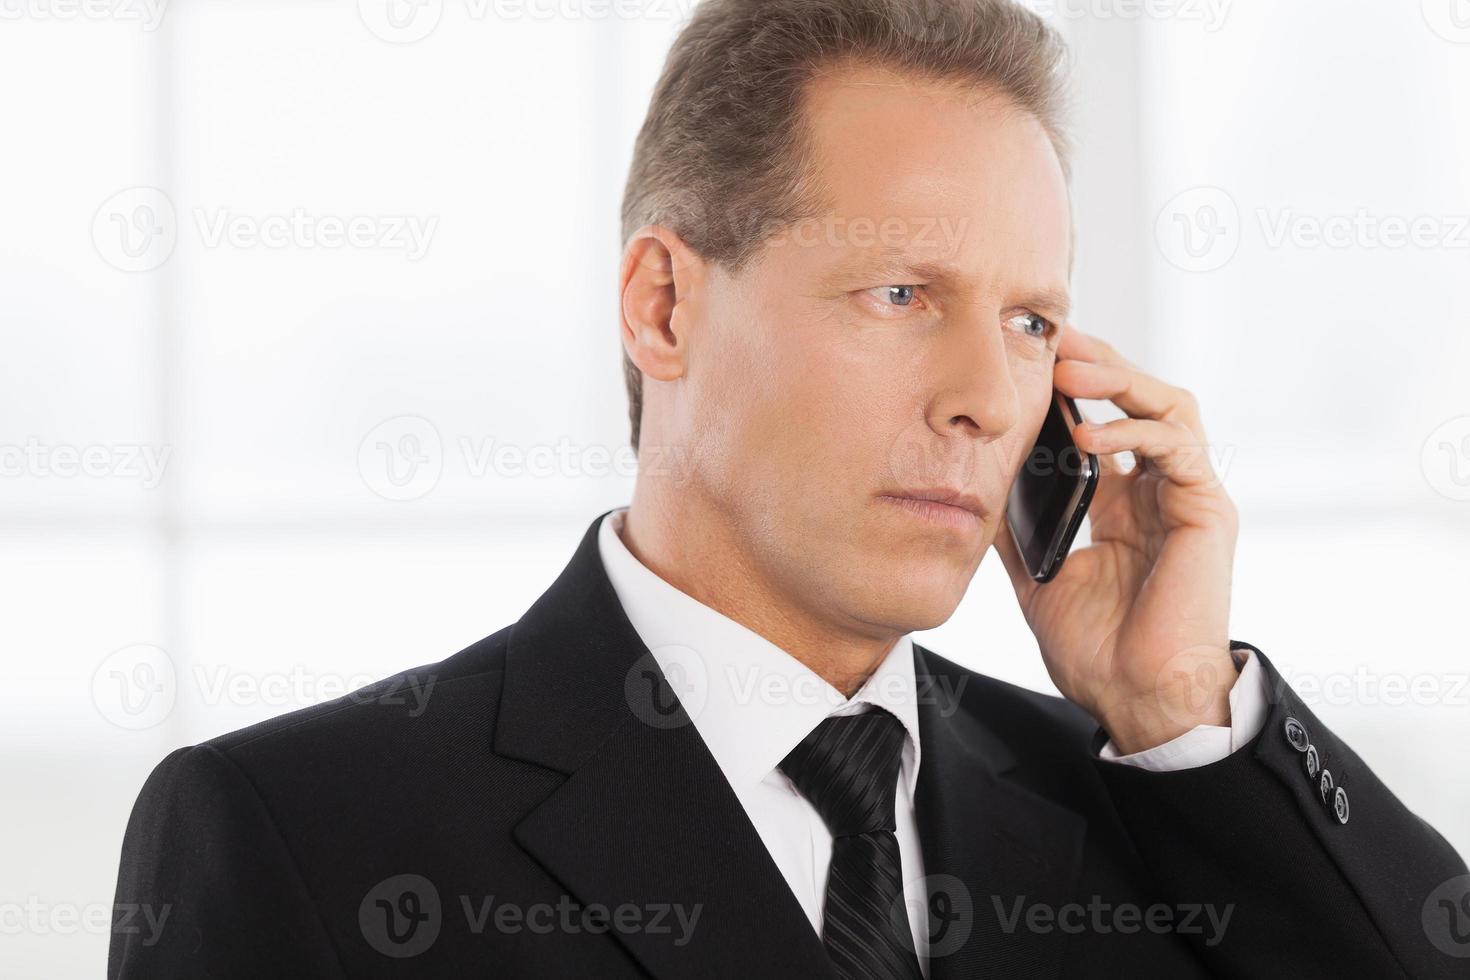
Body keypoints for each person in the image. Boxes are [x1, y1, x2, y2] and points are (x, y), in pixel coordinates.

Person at [109, 1, 1469, 977]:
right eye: (899, 293)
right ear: (662, 305)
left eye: (1028, 322)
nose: (987, 399)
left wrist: (1174, 711)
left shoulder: (1150, 801)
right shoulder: (306, 833)